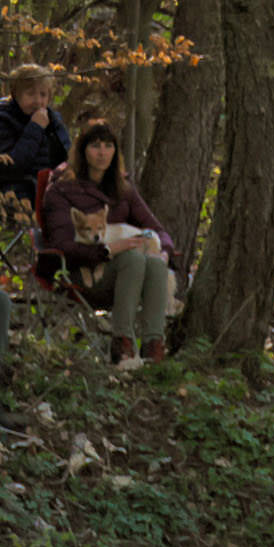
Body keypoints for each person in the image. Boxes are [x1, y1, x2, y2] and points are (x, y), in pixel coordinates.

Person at [38, 122, 173, 367]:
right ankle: (123, 346)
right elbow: (62, 244)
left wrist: (164, 251)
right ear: (82, 151)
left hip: (130, 276)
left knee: (155, 264)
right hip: (80, 274)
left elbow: (158, 230)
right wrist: (108, 250)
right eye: (95, 146)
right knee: (132, 258)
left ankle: (153, 347)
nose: (102, 153)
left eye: (109, 146)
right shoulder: (61, 189)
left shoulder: (123, 188)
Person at [0, 65, 69, 206]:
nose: (37, 101)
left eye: (43, 95)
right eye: (30, 94)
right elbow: (10, 167)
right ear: (16, 95)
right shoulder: (5, 118)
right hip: (16, 195)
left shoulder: (53, 120)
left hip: (49, 192)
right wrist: (35, 128)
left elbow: (65, 157)